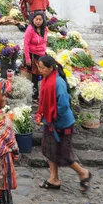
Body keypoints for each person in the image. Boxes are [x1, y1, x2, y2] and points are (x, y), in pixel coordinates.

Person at [36, 55, 92, 192]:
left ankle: (83, 173)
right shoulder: (46, 79)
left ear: (51, 68)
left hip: (61, 124)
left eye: (42, 68)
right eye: (39, 67)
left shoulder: (58, 82)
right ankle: (54, 179)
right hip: (50, 122)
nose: (40, 70)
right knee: (50, 150)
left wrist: (51, 116)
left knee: (64, 154)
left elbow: (63, 105)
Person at [23, 11, 48, 100]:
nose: (38, 21)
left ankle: (46, 93)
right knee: (35, 76)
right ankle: (35, 96)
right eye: (36, 19)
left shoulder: (44, 29)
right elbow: (25, 44)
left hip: (42, 54)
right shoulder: (30, 29)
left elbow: (44, 42)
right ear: (33, 19)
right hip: (33, 55)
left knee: (47, 72)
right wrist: (27, 58)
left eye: (40, 19)